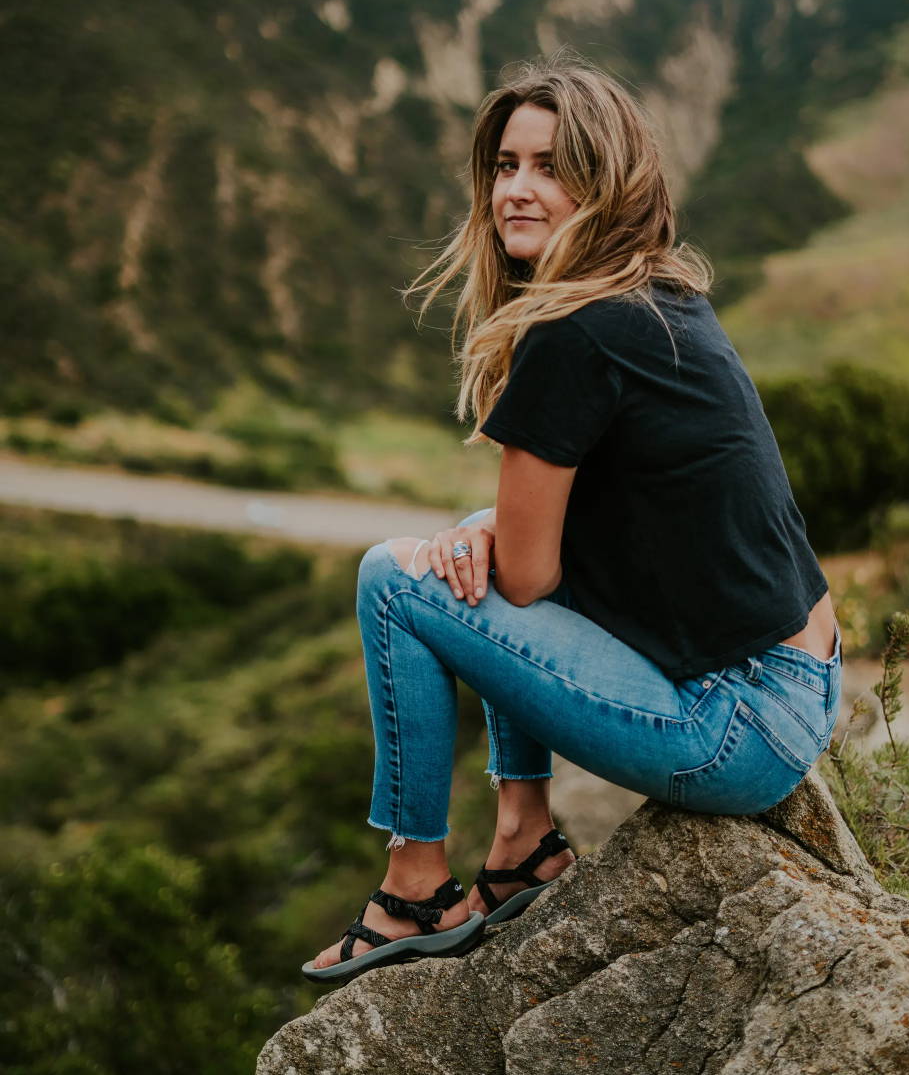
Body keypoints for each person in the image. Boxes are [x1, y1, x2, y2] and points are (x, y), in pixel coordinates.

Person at [303, 52, 842, 985]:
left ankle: (416, 887)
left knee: (396, 582)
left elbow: (525, 583)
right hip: (797, 688)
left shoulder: (577, 331)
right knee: (469, 553)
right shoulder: (657, 299)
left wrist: (481, 536)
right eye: (506, 165)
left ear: (608, 183)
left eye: (550, 167)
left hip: (736, 722)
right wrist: (486, 524)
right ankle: (521, 842)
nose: (516, 188)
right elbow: (580, 536)